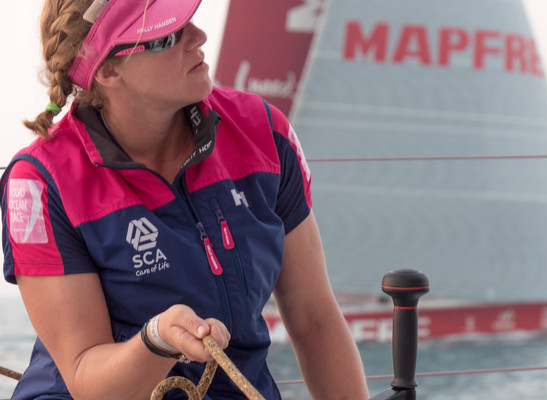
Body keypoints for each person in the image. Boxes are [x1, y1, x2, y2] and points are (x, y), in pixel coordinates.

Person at [0, 0, 369, 399]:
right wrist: (156, 340)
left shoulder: (263, 133)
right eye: (169, 35)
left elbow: (314, 320)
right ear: (107, 70)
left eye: (189, 20)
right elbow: (85, 377)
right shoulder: (38, 184)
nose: (199, 37)